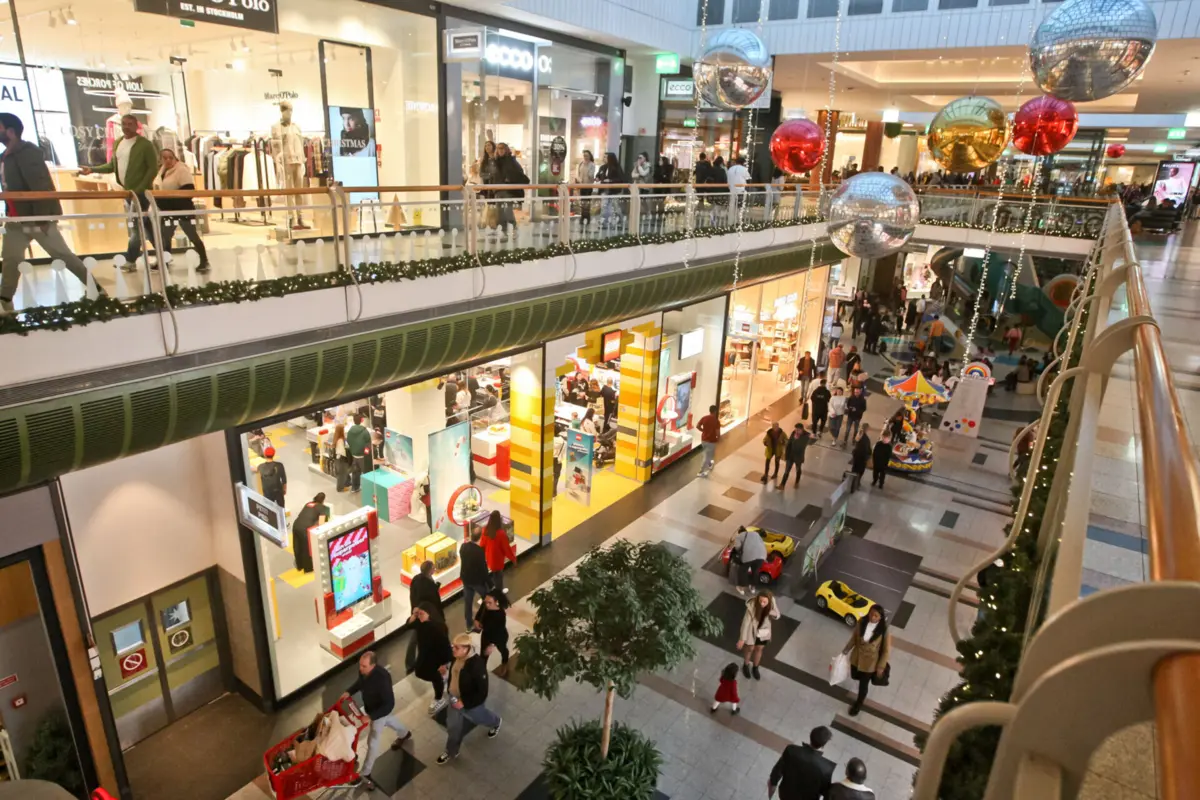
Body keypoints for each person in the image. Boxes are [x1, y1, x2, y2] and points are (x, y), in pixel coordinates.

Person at [0, 113, 96, 311]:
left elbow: (40, 185)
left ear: (10, 131)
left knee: (62, 254)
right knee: (11, 257)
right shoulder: (4, 157)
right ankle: (5, 297)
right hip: (16, 218)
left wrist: (42, 216)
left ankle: (96, 288)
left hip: (36, 216)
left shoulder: (28, 153)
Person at [81, 113, 160, 270]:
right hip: (128, 192)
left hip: (140, 194)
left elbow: (153, 168)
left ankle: (130, 260)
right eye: (124, 124)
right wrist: (92, 169)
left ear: (136, 125)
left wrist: (141, 189)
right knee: (147, 227)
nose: (126, 127)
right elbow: (112, 166)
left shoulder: (145, 145)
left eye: (130, 124)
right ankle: (163, 254)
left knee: (136, 227)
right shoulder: (118, 143)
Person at [342, 651, 411, 790]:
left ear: (373, 665)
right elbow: (360, 682)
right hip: (372, 709)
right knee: (389, 720)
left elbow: (389, 705)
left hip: (379, 711)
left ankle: (366, 772)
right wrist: (349, 691)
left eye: (364, 666)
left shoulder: (382, 679)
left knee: (372, 741)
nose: (360, 669)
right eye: (360, 665)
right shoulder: (364, 671)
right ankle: (405, 734)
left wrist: (371, 717)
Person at [437, 633, 502, 764]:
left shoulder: (477, 665)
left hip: (471, 702)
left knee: (480, 717)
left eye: (457, 648)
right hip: (454, 698)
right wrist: (445, 666)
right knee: (453, 727)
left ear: (466, 649)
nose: (453, 650)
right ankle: (451, 751)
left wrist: (465, 702)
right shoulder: (456, 657)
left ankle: (496, 722)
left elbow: (482, 692)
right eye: (453, 647)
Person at [154, 147, 209, 271]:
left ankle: (204, 260)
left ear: (175, 158)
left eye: (170, 157)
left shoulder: (181, 170)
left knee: (192, 235)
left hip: (182, 209)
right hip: (168, 210)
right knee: (166, 237)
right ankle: (165, 262)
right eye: (165, 158)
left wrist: (168, 197)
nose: (168, 160)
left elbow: (189, 189)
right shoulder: (161, 171)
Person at [843, 604, 891, 716]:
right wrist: (845, 650)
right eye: (871, 614)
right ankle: (862, 682)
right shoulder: (862, 622)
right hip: (857, 657)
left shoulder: (884, 630)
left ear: (880, 617)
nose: (872, 617)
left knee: (863, 686)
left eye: (876, 615)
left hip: (870, 664)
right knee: (854, 675)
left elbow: (886, 650)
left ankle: (858, 704)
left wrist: (880, 666)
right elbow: (854, 638)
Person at [408, 602, 452, 714]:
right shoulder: (421, 623)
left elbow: (445, 647)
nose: (420, 616)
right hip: (424, 654)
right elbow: (409, 625)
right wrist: (414, 614)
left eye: (422, 614)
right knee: (420, 672)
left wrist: (443, 664)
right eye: (419, 614)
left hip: (435, 656)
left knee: (434, 676)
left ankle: (439, 697)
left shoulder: (438, 628)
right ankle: (441, 680)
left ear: (430, 614)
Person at [768, 726, 835, 800]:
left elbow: (776, 774)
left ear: (810, 736)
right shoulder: (827, 768)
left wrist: (770, 794)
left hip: (786, 795)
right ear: (823, 745)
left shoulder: (791, 750)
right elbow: (824, 792)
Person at [737, 590, 779, 680]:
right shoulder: (751, 605)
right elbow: (745, 623)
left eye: (765, 602)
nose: (762, 604)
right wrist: (742, 639)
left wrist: (769, 611)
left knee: (759, 649)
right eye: (760, 601)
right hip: (751, 631)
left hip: (763, 631)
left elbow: (777, 615)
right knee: (749, 649)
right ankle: (746, 665)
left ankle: (755, 667)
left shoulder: (772, 602)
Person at [489, 142, 528, 237]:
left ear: (506, 150)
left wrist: (509, 179)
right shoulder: (494, 161)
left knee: (507, 209)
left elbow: (519, 173)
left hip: (508, 189)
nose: (500, 150)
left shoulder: (511, 161)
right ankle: (502, 229)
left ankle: (513, 227)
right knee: (499, 210)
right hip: (497, 189)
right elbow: (492, 176)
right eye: (498, 148)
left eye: (502, 148)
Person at [473, 588, 511, 675]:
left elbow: (499, 631)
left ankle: (505, 663)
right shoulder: (486, 604)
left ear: (496, 602)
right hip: (486, 634)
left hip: (499, 636)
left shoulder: (500, 615)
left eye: (489, 603)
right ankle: (482, 673)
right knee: (483, 655)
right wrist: (476, 620)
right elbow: (479, 613)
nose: (486, 604)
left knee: (503, 650)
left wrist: (492, 645)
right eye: (485, 602)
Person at [459, 527, 490, 630]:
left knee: (468, 603)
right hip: (477, 581)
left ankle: (469, 625)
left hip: (466, 580)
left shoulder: (463, 547)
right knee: (487, 599)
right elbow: (483, 570)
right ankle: (483, 620)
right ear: (480, 537)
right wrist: (490, 583)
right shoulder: (479, 552)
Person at [290, 493, 328, 574]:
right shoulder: (322, 507)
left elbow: (302, 515)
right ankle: (308, 568)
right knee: (305, 548)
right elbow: (322, 523)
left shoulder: (308, 504)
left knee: (297, 545)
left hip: (296, 524)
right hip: (305, 528)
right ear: (323, 500)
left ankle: (299, 565)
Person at [482, 509, 516, 592]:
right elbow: (506, 549)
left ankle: (495, 592)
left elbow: (482, 545)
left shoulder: (485, 530)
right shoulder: (501, 534)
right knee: (499, 577)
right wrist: (513, 559)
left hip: (489, 558)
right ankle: (499, 594)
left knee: (494, 575)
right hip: (498, 560)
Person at [732, 524, 768, 595]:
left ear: (739, 532)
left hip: (749, 555)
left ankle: (741, 588)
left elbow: (737, 547)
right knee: (755, 571)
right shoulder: (754, 533)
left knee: (743, 570)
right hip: (762, 555)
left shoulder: (739, 536)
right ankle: (752, 588)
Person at [778, 423, 812, 488]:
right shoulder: (794, 433)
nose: (796, 431)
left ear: (802, 430)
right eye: (795, 430)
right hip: (790, 456)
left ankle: (797, 482)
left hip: (798, 457)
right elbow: (789, 443)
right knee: (786, 471)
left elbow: (801, 446)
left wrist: (796, 439)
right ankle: (782, 485)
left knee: (798, 469)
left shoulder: (806, 436)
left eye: (798, 430)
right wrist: (786, 455)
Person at [596, 151, 625, 226]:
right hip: (604, 190)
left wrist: (611, 180)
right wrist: (597, 178)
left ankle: (620, 221)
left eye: (606, 157)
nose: (604, 158)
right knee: (604, 206)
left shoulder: (616, 167)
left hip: (614, 190)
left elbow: (621, 179)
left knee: (615, 206)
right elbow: (599, 175)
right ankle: (605, 222)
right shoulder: (602, 167)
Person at [346, 414, 372, 493]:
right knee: (367, 473)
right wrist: (367, 454)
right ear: (362, 420)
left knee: (355, 473)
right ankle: (369, 490)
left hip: (354, 455)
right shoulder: (365, 431)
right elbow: (368, 444)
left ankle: (355, 488)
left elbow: (348, 441)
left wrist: (353, 449)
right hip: (363, 457)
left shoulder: (350, 431)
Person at [697, 404, 720, 476]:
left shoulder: (704, 418)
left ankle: (710, 464)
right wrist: (718, 439)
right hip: (711, 441)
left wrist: (703, 431)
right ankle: (700, 472)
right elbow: (718, 433)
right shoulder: (716, 421)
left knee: (708, 454)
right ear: (715, 411)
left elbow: (697, 426)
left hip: (703, 440)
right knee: (707, 456)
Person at [575, 149, 596, 224]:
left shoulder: (592, 165)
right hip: (582, 185)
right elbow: (578, 174)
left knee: (587, 201)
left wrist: (587, 166)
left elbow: (591, 175)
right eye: (584, 156)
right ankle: (583, 216)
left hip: (588, 185)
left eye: (587, 155)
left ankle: (587, 217)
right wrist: (579, 180)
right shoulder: (581, 163)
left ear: (590, 156)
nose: (585, 157)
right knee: (582, 201)